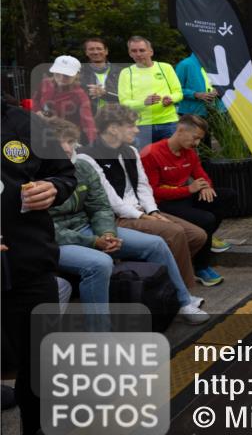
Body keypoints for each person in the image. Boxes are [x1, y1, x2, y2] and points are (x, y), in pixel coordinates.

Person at [47, 118, 208, 326]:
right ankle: (99, 336)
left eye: (71, 142)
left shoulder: (82, 166)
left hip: (90, 229)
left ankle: (183, 301)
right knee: (100, 263)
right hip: (57, 241)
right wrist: (95, 242)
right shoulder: (35, 175)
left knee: (156, 243)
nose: (69, 149)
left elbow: (100, 207)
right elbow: (46, 227)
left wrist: (107, 234)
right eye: (63, 143)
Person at [1, 102, 87, 435]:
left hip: (29, 262)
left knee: (39, 353)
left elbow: (64, 172)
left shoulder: (23, 121)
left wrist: (54, 188)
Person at [78, 104, 206, 290]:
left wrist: (153, 211)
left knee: (197, 235)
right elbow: (110, 200)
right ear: (113, 128)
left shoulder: (131, 151)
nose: (137, 130)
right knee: (175, 232)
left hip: (141, 211)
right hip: (116, 218)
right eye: (131, 125)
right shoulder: (87, 156)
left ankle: (164, 281)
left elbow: (143, 186)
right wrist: (144, 216)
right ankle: (183, 293)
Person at [141, 113, 234, 286]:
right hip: (163, 204)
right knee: (206, 219)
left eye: (200, 139)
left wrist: (206, 186)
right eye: (195, 138)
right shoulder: (151, 153)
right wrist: (188, 189)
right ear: (180, 130)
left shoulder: (190, 152)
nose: (197, 143)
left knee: (227, 195)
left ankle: (206, 239)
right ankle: (201, 267)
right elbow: (152, 193)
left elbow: (202, 176)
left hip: (184, 195)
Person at [116, 36, 182, 149]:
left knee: (171, 159)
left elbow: (178, 93)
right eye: (134, 51)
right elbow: (124, 102)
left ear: (151, 51)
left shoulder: (165, 67)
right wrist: (144, 103)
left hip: (169, 123)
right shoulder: (126, 73)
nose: (138, 54)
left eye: (142, 50)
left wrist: (171, 99)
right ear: (130, 53)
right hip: (141, 126)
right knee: (144, 162)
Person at [32, 56, 96, 144]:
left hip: (65, 139)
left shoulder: (80, 95)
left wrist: (95, 146)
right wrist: (37, 111)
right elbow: (35, 100)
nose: (61, 78)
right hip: (42, 131)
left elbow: (88, 123)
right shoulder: (45, 83)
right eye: (58, 73)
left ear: (76, 75)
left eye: (67, 75)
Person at [79, 37, 122, 113]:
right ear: (86, 52)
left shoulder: (121, 72)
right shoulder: (79, 73)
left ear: (106, 51)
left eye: (99, 49)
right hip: (89, 117)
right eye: (91, 49)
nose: (95, 52)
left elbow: (127, 98)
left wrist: (105, 93)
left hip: (116, 117)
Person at [175, 52, 219, 119]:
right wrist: (195, 94)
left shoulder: (210, 64)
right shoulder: (184, 64)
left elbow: (212, 85)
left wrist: (215, 91)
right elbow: (175, 90)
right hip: (189, 113)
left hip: (210, 112)